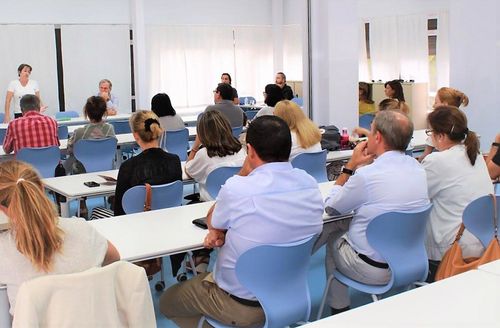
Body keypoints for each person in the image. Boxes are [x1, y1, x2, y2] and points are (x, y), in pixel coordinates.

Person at [159, 115, 324, 327]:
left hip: (241, 304)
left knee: (167, 302)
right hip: (290, 297)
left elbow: (213, 222)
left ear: (250, 150)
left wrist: (243, 174)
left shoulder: (239, 188)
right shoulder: (309, 184)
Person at [315, 110, 429, 315]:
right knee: (345, 222)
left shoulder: (367, 176)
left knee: (333, 233)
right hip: (410, 261)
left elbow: (331, 208)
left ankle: (339, 310)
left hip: (373, 270)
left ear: (377, 137)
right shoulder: (419, 169)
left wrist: (350, 166)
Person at [0, 160, 120, 315]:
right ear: (42, 189)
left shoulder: (4, 251)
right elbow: (114, 257)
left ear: (2, 208)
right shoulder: (82, 229)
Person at [422, 106, 493, 281]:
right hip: (483, 242)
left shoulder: (438, 160)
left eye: (430, 132)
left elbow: (413, 196)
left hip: (451, 250)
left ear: (440, 136)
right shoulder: (473, 154)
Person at [113, 110, 182, 216]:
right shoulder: (175, 161)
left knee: (96, 212)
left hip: (136, 226)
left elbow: (118, 212)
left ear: (136, 136)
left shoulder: (128, 167)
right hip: (169, 222)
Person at [186, 110, 246, 202]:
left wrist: (195, 147)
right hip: (235, 201)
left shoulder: (204, 154)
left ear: (202, 133)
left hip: (211, 204)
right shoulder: (241, 151)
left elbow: (189, 172)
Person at [66, 96, 116, 174]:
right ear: (104, 112)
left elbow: (70, 151)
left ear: (87, 112)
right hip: (106, 170)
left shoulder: (79, 132)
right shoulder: (110, 129)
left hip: (82, 172)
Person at [418, 87, 470, 162]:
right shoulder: (461, 124)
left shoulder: (439, 128)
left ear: (444, 105)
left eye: (436, 102)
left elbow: (425, 155)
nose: (433, 106)